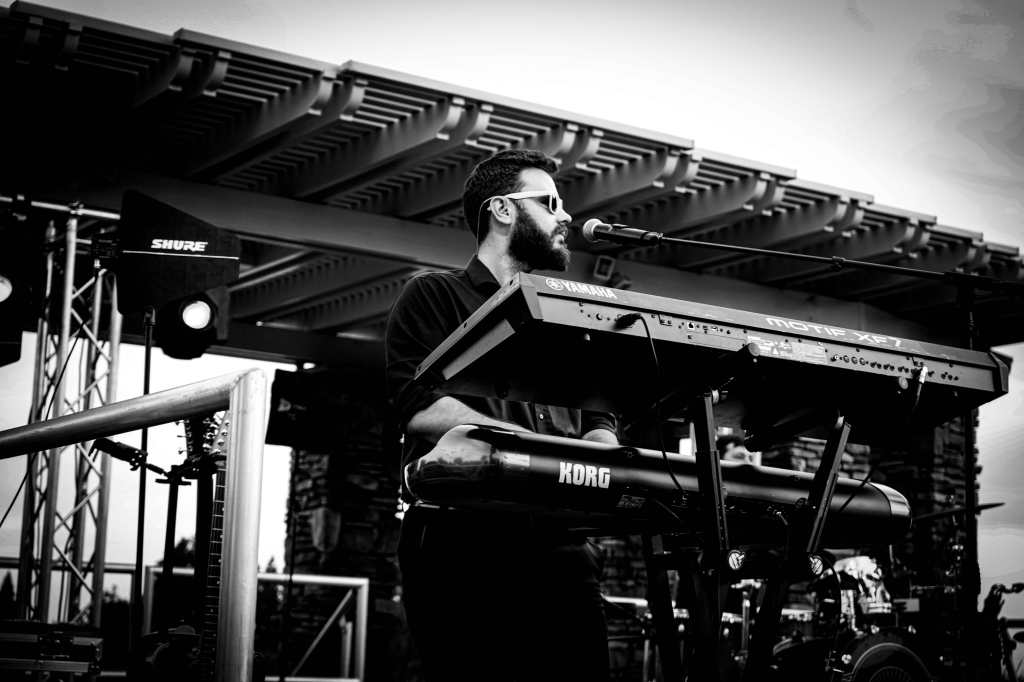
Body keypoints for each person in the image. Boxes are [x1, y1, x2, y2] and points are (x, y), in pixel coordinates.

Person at [384, 149, 619, 682]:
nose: (566, 217)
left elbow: (600, 425)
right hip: (464, 546)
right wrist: (532, 452)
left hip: (563, 549)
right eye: (550, 203)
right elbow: (417, 405)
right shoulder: (433, 294)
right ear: (503, 210)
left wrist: (604, 459)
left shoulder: (571, 324)